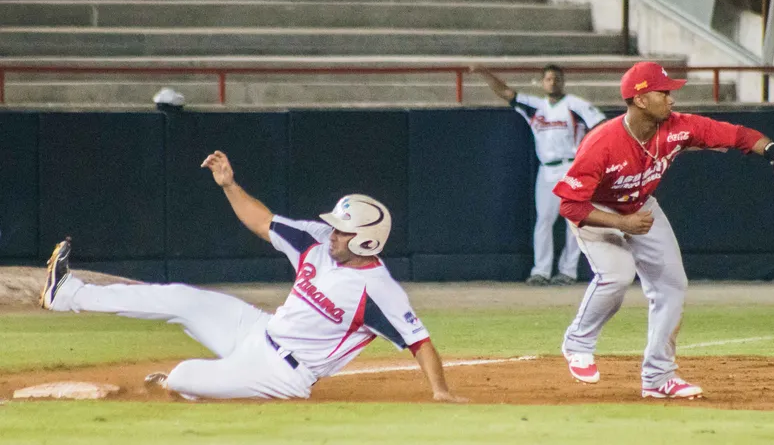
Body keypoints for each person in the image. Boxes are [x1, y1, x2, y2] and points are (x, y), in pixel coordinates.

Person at [39, 150, 466, 402]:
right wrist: (229, 185)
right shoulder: (317, 241)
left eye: (343, 229)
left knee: (186, 374)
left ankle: (185, 387)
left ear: (367, 242)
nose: (333, 232)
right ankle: (67, 293)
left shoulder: (378, 290)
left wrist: (440, 391)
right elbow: (262, 221)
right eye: (336, 225)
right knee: (179, 298)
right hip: (259, 329)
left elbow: (420, 343)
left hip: (284, 374)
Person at [552, 62, 774, 399]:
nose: (671, 99)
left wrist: (773, 152)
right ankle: (577, 344)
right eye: (664, 92)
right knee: (617, 274)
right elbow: (570, 206)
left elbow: (736, 135)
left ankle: (658, 378)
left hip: (642, 206)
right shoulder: (602, 142)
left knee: (672, 285)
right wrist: (621, 224)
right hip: (599, 212)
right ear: (641, 100)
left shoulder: (679, 127)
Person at [471, 64, 606, 286]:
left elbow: (601, 126)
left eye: (556, 78)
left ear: (563, 82)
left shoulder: (575, 105)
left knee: (574, 222)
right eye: (549, 79)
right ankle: (541, 271)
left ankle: (568, 272)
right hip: (547, 169)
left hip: (572, 167)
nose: (553, 82)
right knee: (544, 220)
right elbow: (506, 93)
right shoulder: (536, 106)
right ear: (543, 82)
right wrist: (484, 72)